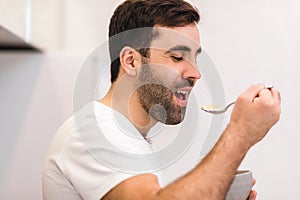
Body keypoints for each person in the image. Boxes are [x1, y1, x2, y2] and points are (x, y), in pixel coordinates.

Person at [42, 0, 281, 200]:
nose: (195, 73)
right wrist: (241, 132)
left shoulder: (128, 136)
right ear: (132, 61)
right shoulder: (95, 129)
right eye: (177, 57)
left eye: (194, 59)